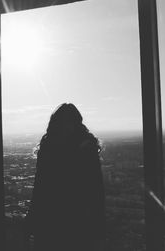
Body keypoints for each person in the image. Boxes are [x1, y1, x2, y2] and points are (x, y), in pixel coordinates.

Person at [24, 103, 106, 251]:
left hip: (51, 219)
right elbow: (96, 189)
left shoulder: (49, 147)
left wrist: (32, 219)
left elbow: (40, 187)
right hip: (78, 220)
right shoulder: (86, 148)